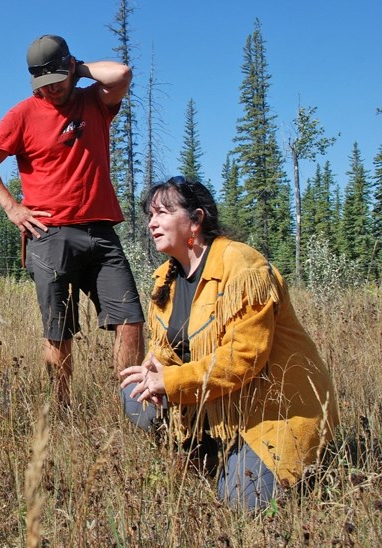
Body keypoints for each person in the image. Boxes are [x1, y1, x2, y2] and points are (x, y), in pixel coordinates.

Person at [119, 176, 339, 510]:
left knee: (240, 499)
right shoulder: (167, 275)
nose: (152, 222)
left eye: (163, 212)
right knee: (135, 394)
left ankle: (294, 467)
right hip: (217, 401)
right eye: (150, 214)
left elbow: (243, 360)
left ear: (196, 219)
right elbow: (170, 341)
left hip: (273, 408)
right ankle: (200, 452)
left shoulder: (242, 267)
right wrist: (154, 362)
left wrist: (170, 380)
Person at [0, 34, 145, 406]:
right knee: (59, 328)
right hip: (49, 235)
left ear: (70, 69)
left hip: (101, 231)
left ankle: (133, 407)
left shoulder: (94, 102)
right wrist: (12, 209)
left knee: (130, 318)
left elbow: (122, 74)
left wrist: (80, 69)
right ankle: (62, 406)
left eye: (56, 81)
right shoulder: (21, 114)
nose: (50, 91)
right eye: (42, 84)